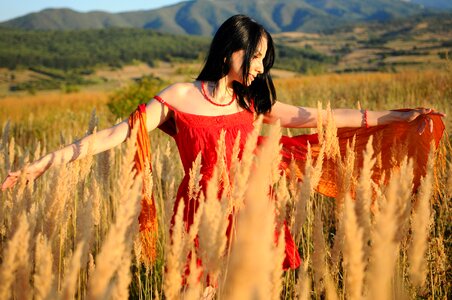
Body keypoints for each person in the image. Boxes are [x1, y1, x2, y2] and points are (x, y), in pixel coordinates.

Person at [1, 15, 445, 271]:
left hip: (253, 210)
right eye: (254, 55)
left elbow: (318, 117)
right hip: (197, 216)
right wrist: (42, 164)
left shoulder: (251, 101)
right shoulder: (178, 97)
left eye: (263, 60)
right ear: (231, 48)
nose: (258, 67)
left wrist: (398, 116)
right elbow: (115, 136)